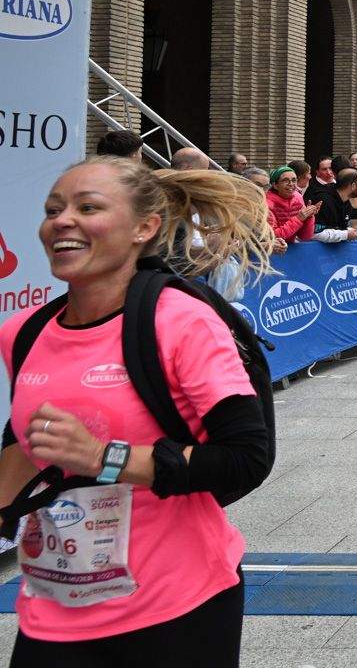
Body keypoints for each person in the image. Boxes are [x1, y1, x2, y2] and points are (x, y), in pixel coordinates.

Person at [0, 156, 274, 665]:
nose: (62, 221)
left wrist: (104, 457)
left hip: (175, 604)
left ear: (144, 228)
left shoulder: (183, 322)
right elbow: (24, 446)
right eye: (53, 209)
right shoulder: (23, 332)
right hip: (52, 604)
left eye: (88, 207)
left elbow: (246, 457)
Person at [306, 168, 357, 243]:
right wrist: (345, 235)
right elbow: (315, 234)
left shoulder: (347, 202)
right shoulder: (323, 200)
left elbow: (339, 228)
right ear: (353, 185)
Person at [265, 165, 317, 244]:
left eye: (294, 180)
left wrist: (309, 216)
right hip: (273, 250)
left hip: (290, 248)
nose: (291, 184)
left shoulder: (298, 198)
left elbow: (305, 237)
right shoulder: (267, 203)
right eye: (285, 180)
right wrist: (298, 219)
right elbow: (273, 236)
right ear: (275, 185)